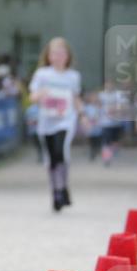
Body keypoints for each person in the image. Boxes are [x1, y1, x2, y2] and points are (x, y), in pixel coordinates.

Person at [28, 37, 85, 212]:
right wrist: (40, 94)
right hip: (47, 121)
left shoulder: (73, 76)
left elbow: (76, 98)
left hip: (65, 120)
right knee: (52, 157)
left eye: (62, 53)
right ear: (48, 55)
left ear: (68, 56)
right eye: (54, 53)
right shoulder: (42, 74)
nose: (58, 56)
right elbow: (32, 97)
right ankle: (57, 190)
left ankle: (62, 186)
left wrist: (83, 116)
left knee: (61, 152)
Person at [98, 80, 128, 166]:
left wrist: (117, 109)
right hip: (105, 123)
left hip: (116, 123)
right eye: (107, 84)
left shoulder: (118, 94)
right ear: (104, 85)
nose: (109, 86)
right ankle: (106, 159)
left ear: (113, 85)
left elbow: (124, 105)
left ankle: (111, 153)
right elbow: (97, 106)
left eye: (110, 84)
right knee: (106, 142)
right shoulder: (101, 95)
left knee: (115, 142)